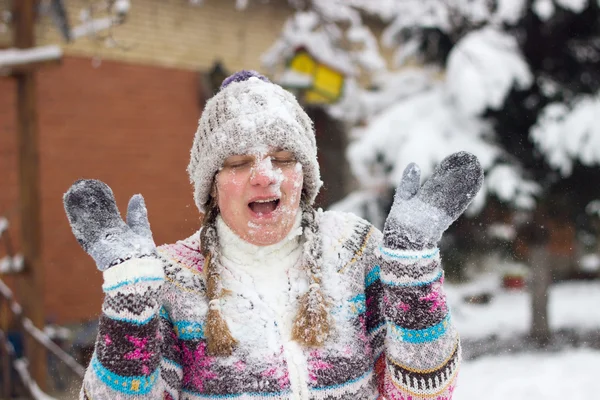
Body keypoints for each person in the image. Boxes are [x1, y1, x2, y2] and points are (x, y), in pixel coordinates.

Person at [63, 71, 483, 400]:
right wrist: (128, 306)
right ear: (211, 186)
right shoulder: (171, 280)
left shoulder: (356, 252)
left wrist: (413, 273)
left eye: (282, 158)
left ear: (305, 176)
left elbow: (424, 394)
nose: (265, 176)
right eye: (240, 162)